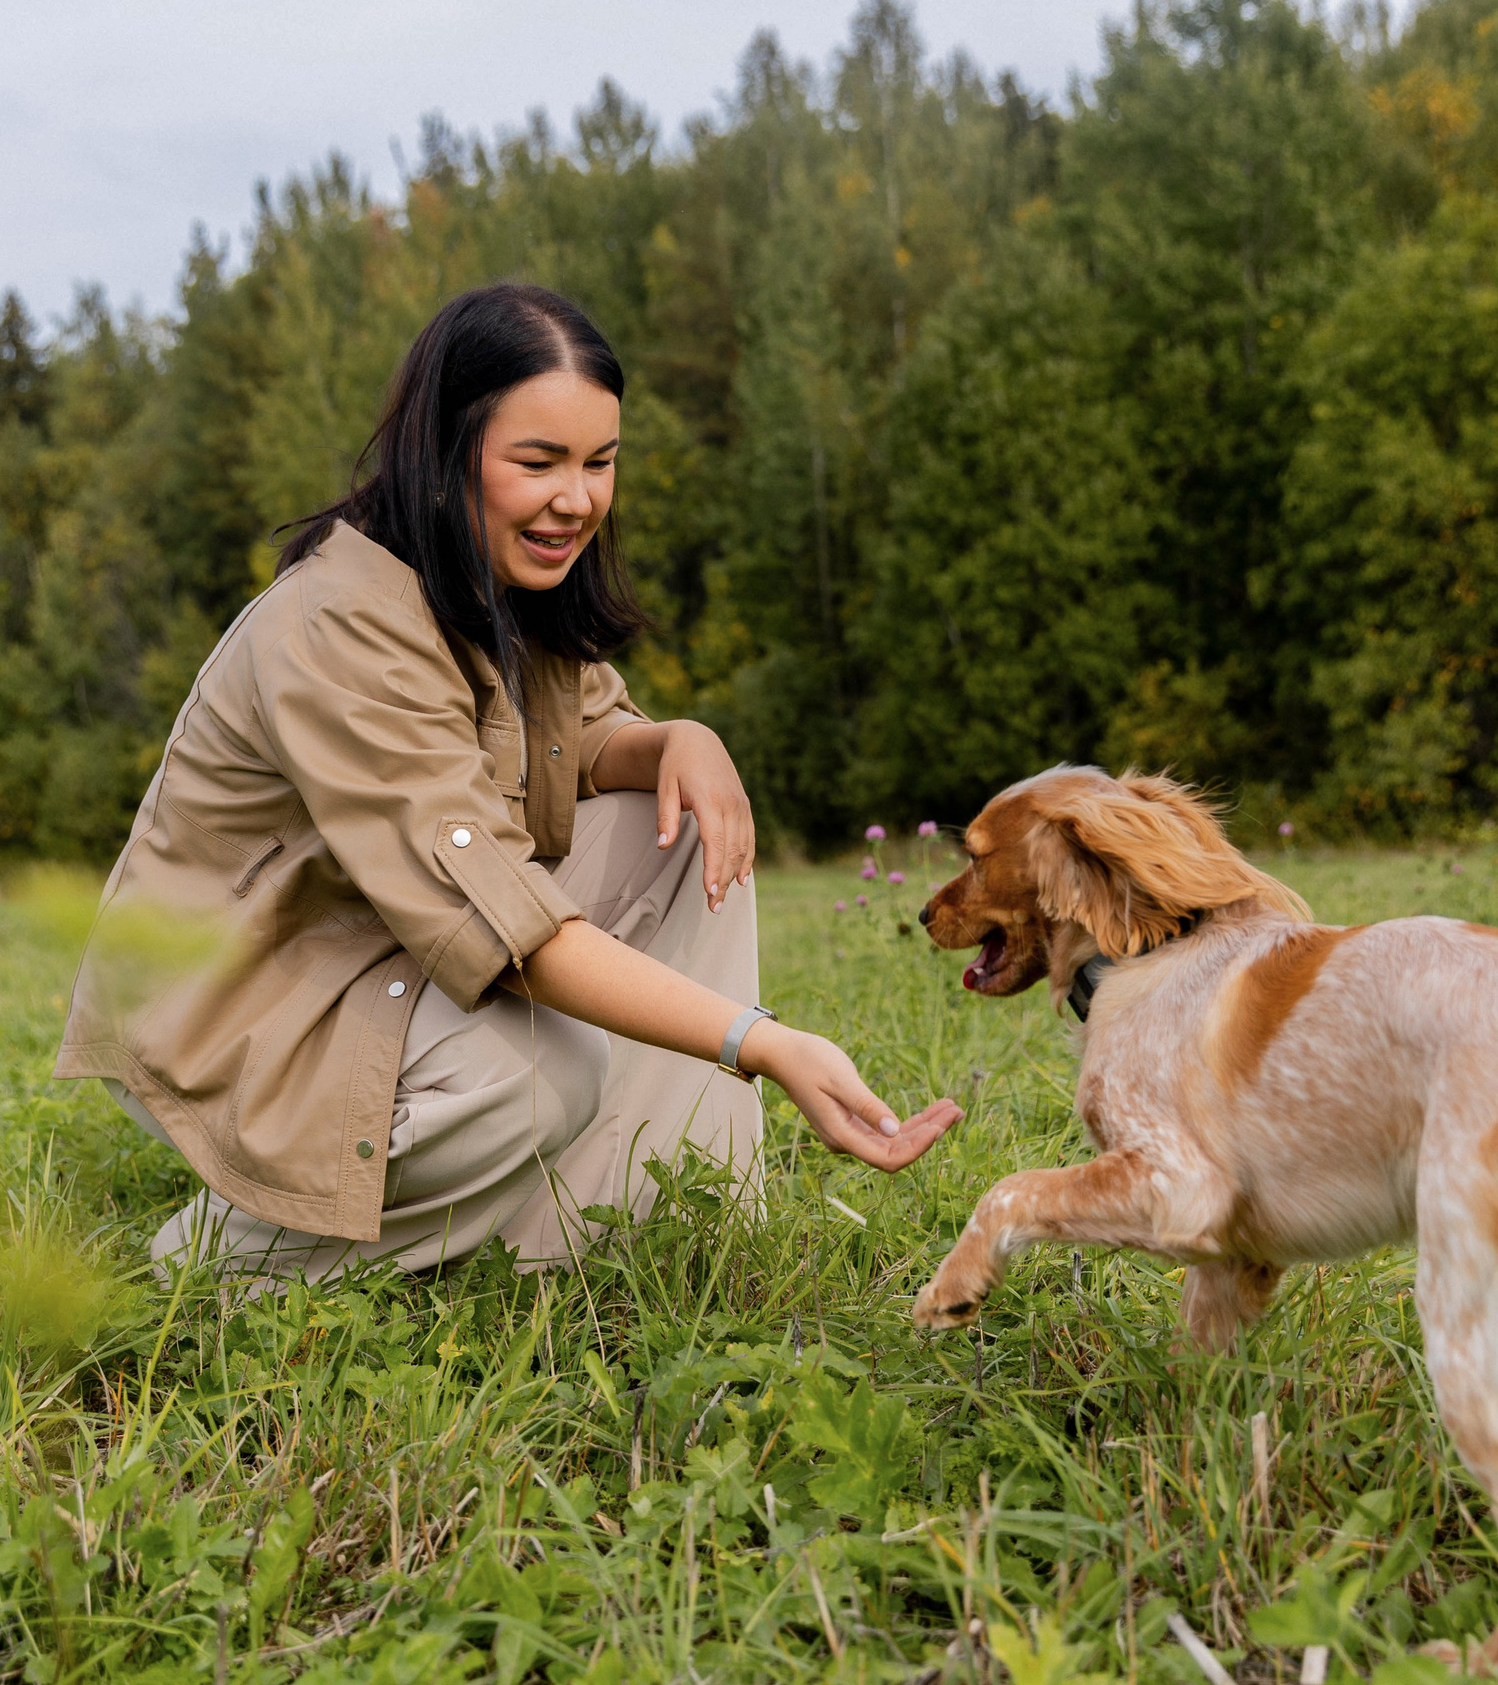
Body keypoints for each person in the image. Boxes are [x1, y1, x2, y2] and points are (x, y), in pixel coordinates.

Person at [55, 282, 960, 1282]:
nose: (576, 498)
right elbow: (511, 934)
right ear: (444, 453)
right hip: (242, 995)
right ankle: (215, 1264)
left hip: (375, 946)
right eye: (538, 462)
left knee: (687, 829)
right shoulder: (338, 622)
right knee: (535, 1074)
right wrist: (763, 1042)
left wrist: (677, 740)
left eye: (599, 462)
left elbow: (582, 740)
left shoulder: (506, 574)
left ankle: (608, 1233)